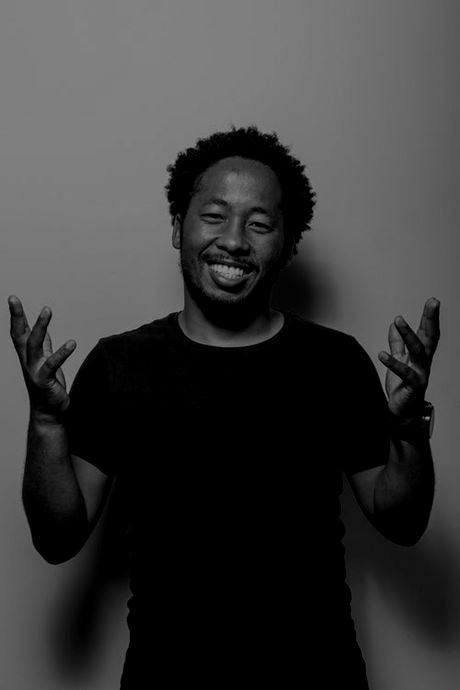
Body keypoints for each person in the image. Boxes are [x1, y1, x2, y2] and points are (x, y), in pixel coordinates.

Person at [9, 125, 440, 688]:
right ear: (177, 227)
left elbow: (402, 522)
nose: (233, 240)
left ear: (288, 244)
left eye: (259, 224)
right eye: (214, 215)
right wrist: (46, 422)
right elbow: (56, 539)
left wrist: (408, 429)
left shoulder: (334, 361)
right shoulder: (120, 365)